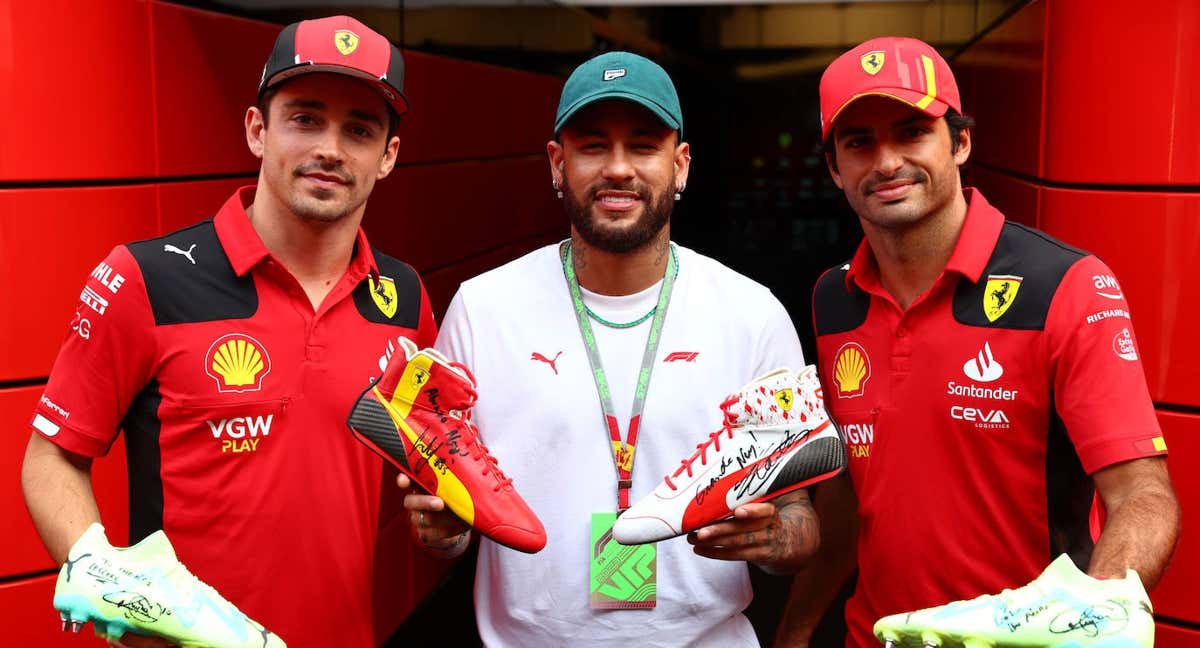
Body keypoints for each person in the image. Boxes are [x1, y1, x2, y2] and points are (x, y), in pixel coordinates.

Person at [20, 15, 435, 648]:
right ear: (256, 130)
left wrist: (449, 530)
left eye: (359, 129)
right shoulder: (144, 278)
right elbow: (51, 457)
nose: (330, 146)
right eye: (305, 117)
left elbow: (433, 478)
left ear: (387, 157)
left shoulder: (403, 298)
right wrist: (103, 576)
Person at [398, 51, 820, 646]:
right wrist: (445, 532)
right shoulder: (482, 308)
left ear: (681, 166)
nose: (618, 168)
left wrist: (774, 540)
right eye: (593, 146)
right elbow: (451, 513)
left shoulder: (752, 314)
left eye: (643, 146)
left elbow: (801, 522)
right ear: (557, 163)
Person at [775, 36, 1180, 647]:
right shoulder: (833, 300)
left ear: (960, 142)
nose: (886, 162)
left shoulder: (1065, 285)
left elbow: (1143, 497)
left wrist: (1091, 622)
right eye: (859, 142)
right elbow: (855, 497)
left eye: (912, 132)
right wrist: (796, 630)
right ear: (835, 168)